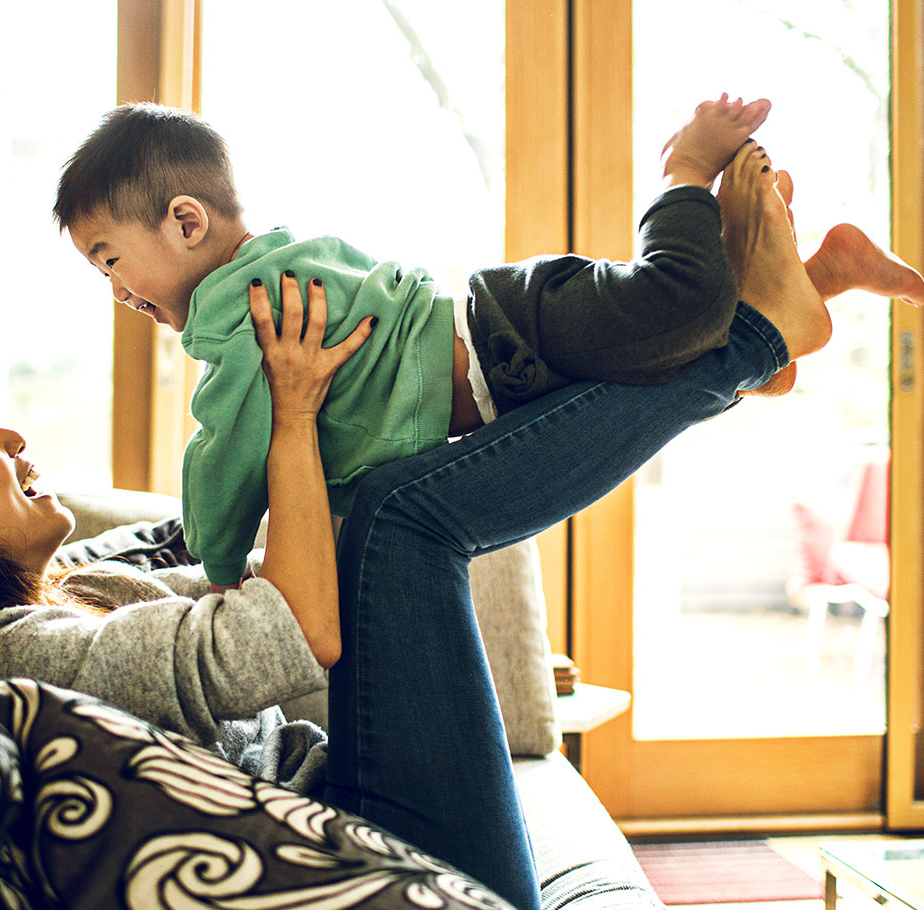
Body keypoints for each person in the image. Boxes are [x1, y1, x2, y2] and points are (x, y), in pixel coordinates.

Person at [0, 143, 910, 910]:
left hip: (378, 804)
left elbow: (202, 543)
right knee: (398, 514)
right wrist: (287, 414)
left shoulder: (78, 584)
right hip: (391, 857)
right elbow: (289, 627)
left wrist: (310, 419)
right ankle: (752, 332)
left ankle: (764, 322)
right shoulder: (12, 652)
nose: (3, 429)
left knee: (386, 487)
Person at [53, 97, 924, 588]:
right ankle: (819, 272)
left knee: (683, 310)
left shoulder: (244, 322)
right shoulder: (273, 264)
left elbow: (220, 470)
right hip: (511, 358)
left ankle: (685, 173)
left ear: (185, 220)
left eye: (110, 261)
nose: (118, 293)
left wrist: (206, 552)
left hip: (508, 332)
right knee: (687, 358)